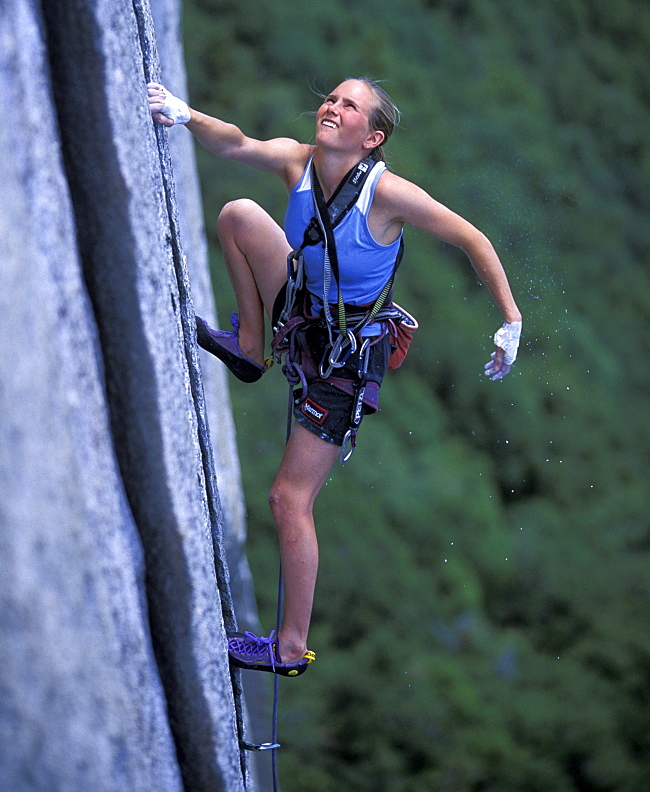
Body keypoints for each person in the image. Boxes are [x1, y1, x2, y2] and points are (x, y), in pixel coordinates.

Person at [148, 78, 522, 677]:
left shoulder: (388, 195)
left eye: (349, 105)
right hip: (303, 308)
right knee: (239, 215)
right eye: (331, 98)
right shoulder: (300, 162)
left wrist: (510, 319)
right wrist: (184, 114)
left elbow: (472, 238)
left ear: (371, 138)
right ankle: (249, 347)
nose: (332, 107)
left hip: (343, 361)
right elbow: (236, 144)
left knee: (289, 500)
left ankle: (290, 648)